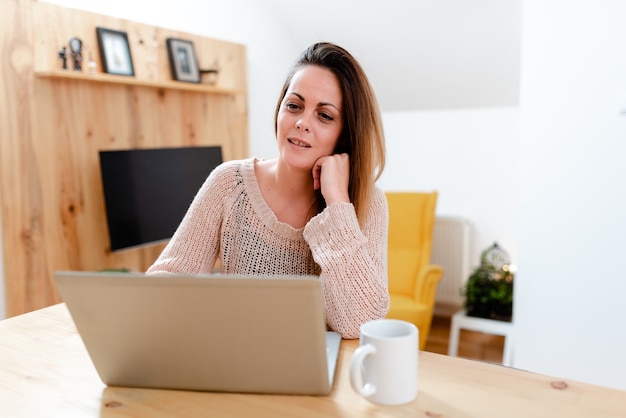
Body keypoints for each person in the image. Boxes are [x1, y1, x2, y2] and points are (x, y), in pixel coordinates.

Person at [147, 42, 389, 339]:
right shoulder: (228, 183)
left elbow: (361, 323)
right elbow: (167, 279)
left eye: (324, 115)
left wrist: (337, 204)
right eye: (294, 106)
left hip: (319, 374)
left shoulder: (368, 202)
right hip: (237, 358)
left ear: (346, 133)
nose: (302, 123)